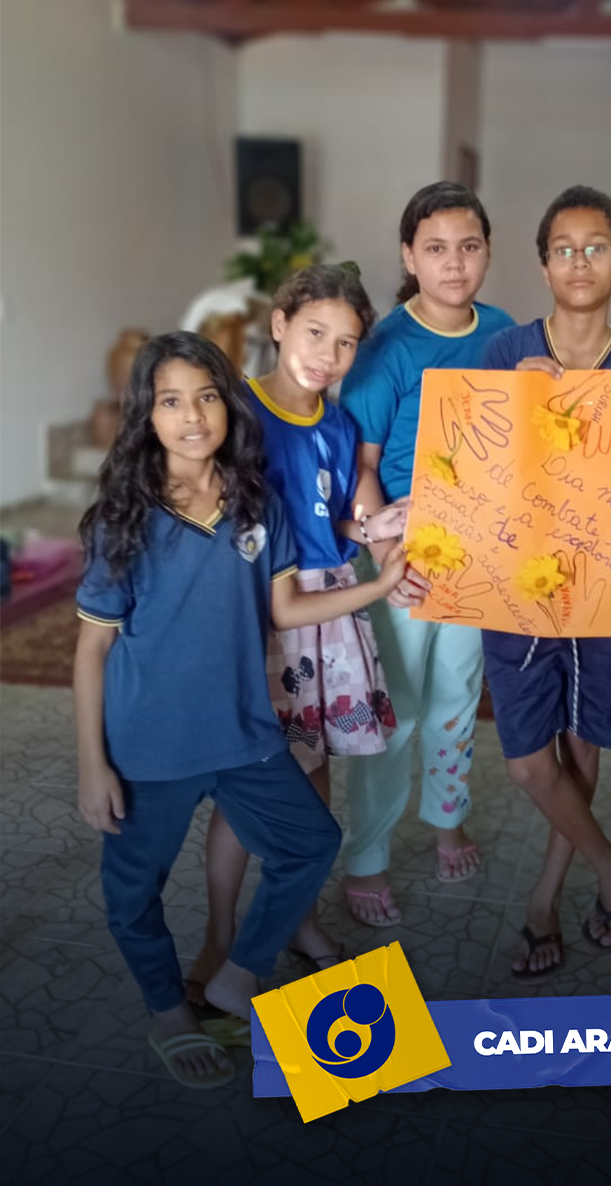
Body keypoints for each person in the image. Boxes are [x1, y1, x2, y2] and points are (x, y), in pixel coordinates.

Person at [73, 332, 406, 1090]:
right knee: (132, 894)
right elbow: (92, 651)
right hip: (148, 746)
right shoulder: (121, 519)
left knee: (312, 842)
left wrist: (380, 588)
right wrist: (94, 765)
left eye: (206, 397)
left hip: (243, 732)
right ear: (146, 414)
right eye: (170, 401)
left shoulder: (257, 502)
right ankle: (168, 1010)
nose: (192, 416)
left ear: (229, 405)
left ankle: (238, 973)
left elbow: (285, 610)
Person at [184, 263, 407, 1004]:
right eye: (315, 333)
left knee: (314, 771)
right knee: (248, 785)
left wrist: (371, 529)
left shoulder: (338, 426)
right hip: (259, 613)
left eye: (345, 343)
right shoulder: (236, 413)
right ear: (279, 325)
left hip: (328, 611)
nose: (327, 355)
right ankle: (221, 936)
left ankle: (297, 920)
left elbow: (329, 516)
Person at [481, 184, 611, 983]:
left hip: (605, 593)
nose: (579, 262)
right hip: (516, 587)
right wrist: (514, 405)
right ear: (544, 265)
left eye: (596, 248)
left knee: (582, 746)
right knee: (528, 761)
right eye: (563, 249)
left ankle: (544, 898)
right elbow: (471, 473)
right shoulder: (503, 353)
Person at [338, 181, 515, 926]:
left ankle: (447, 817)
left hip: (476, 553)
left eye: (469, 247)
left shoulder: (504, 334)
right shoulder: (386, 348)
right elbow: (362, 467)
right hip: (402, 558)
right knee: (397, 711)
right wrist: (387, 561)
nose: (454, 263)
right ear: (409, 256)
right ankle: (367, 857)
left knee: (456, 697)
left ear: (487, 253)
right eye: (436, 248)